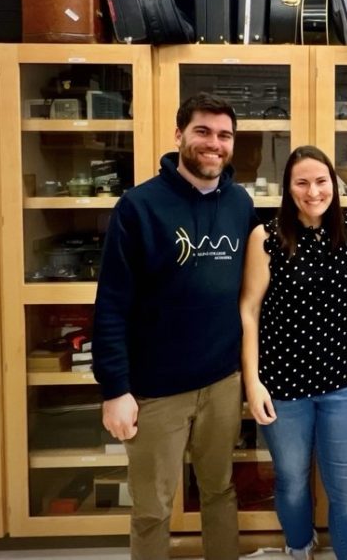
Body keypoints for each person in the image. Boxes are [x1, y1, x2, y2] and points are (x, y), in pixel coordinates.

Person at [93, 93, 256, 560]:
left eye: (224, 135)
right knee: (152, 508)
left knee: (220, 491)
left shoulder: (240, 203)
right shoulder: (138, 206)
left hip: (222, 382)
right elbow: (111, 305)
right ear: (179, 134)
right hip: (156, 392)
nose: (214, 143)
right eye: (203, 131)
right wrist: (115, 389)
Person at [240, 145, 347, 560]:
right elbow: (249, 310)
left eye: (321, 181)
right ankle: (299, 546)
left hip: (343, 385)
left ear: (334, 184)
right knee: (293, 481)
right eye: (302, 183)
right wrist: (252, 382)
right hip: (283, 387)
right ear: (288, 187)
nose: (313, 192)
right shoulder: (266, 237)